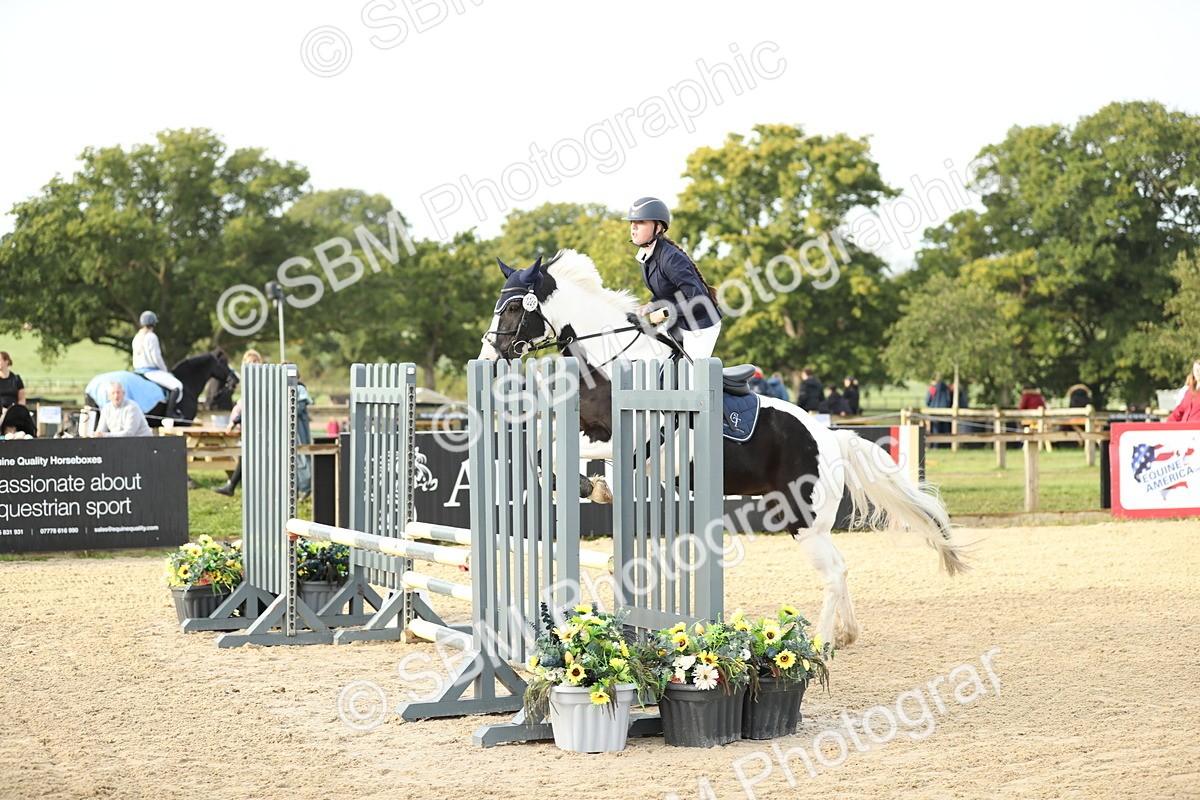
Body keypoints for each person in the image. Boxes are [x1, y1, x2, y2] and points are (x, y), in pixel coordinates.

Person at [624, 197, 722, 361]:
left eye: (640, 222)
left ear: (658, 228)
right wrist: (650, 305)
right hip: (680, 320)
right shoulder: (646, 255)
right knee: (650, 354)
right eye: (632, 222)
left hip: (701, 324)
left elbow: (698, 299)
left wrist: (664, 312)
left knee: (691, 380)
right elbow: (666, 290)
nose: (633, 227)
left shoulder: (671, 259)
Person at [214, 350, 264, 497]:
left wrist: (233, 422)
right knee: (245, 455)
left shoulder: (259, 383)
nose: (254, 365)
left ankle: (233, 486)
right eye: (250, 362)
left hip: (259, 428)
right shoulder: (251, 384)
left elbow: (250, 407)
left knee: (248, 456)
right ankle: (233, 486)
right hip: (250, 427)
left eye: (256, 361)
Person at [132, 311, 184, 419]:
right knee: (177, 386)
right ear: (153, 323)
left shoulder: (137, 336)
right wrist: (164, 370)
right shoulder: (151, 336)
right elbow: (156, 357)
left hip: (137, 370)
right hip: (151, 371)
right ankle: (170, 413)